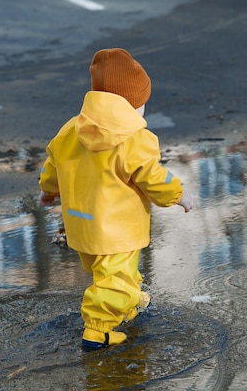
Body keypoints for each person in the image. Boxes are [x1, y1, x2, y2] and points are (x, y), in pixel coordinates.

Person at [38, 48, 194, 350]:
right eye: (142, 103)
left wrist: (49, 190)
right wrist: (178, 194)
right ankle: (98, 329)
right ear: (131, 105)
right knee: (115, 279)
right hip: (117, 229)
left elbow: (53, 165)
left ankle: (128, 303)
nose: (144, 111)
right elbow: (151, 176)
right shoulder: (134, 139)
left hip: (81, 225)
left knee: (112, 272)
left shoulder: (71, 129)